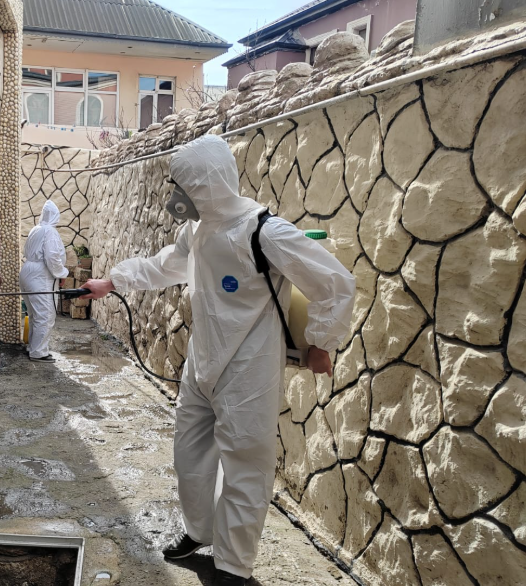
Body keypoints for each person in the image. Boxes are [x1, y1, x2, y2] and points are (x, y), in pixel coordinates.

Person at [81, 135, 355, 585]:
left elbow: (335, 282)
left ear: (205, 184)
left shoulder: (264, 231)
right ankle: (199, 532)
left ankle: (233, 565)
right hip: (202, 363)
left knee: (246, 467)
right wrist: (113, 282)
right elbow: (166, 264)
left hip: (249, 370)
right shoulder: (197, 229)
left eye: (182, 185)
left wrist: (322, 343)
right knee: (189, 456)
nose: (176, 196)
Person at [20, 200, 69, 362]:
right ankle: (38, 352)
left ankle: (33, 347)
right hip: (40, 275)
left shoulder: (36, 229)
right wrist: (62, 273)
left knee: (35, 314)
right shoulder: (50, 232)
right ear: (56, 216)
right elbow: (52, 257)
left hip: (27, 271)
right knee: (46, 315)